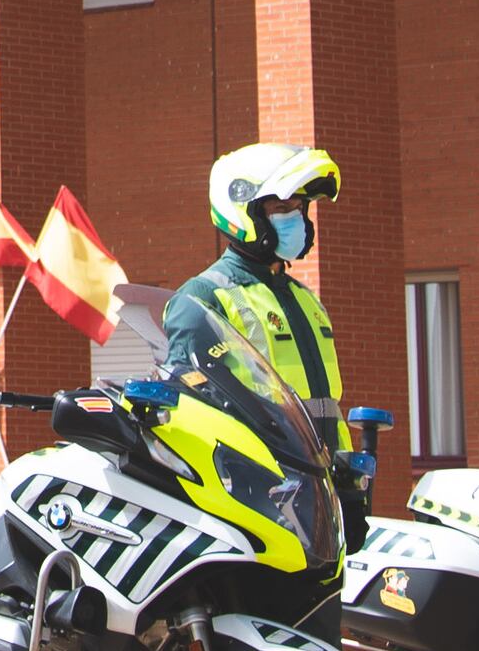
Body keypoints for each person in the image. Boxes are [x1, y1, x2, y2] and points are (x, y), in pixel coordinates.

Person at [159, 143, 383, 547]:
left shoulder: (306, 300)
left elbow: (324, 402)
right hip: (259, 500)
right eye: (282, 208)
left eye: (300, 207)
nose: (296, 218)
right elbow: (193, 408)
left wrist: (347, 479)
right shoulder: (203, 299)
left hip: (321, 495)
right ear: (243, 211)